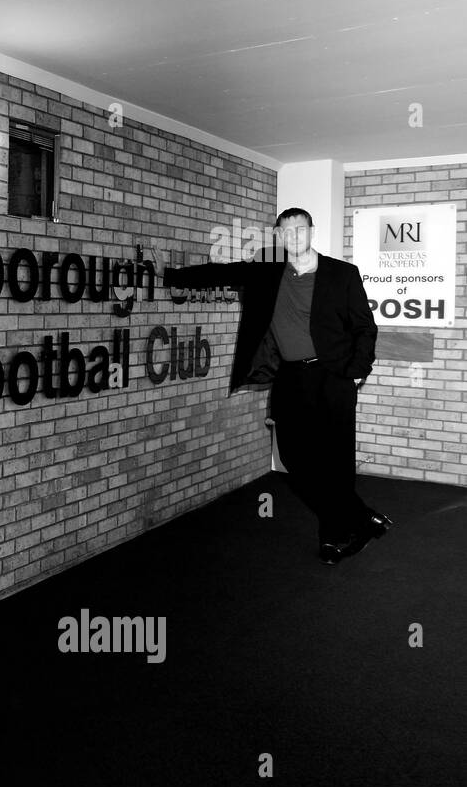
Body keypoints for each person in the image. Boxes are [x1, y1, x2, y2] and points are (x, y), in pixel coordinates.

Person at [164, 207, 391, 565]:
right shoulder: (269, 274)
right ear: (280, 237)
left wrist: (358, 369)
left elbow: (365, 326)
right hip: (291, 377)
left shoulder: (342, 274)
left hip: (333, 376)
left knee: (334, 457)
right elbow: (221, 272)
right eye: (286, 232)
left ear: (311, 231)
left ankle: (336, 534)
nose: (293, 236)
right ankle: (359, 515)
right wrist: (172, 275)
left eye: (299, 229)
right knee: (293, 456)